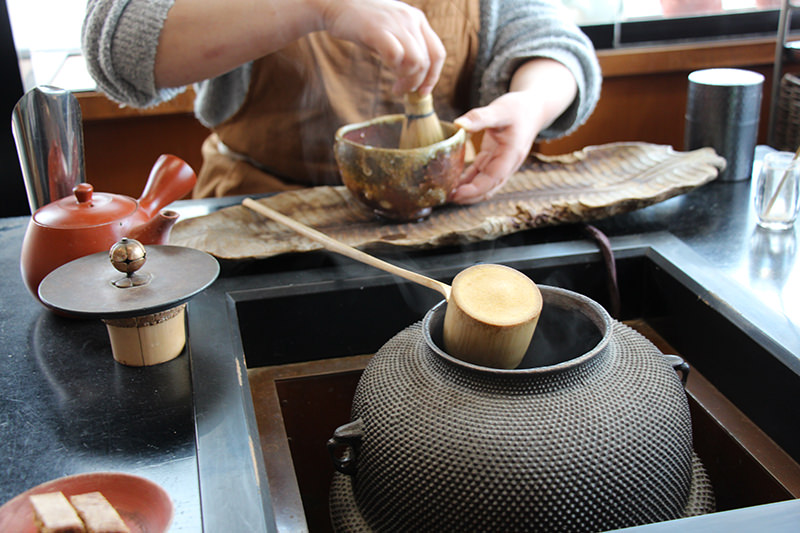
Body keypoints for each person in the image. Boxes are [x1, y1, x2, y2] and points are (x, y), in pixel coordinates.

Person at [82, 0, 601, 204]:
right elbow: (118, 42)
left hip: (435, 215)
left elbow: (555, 43)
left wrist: (531, 104)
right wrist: (318, 7)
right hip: (261, 212)